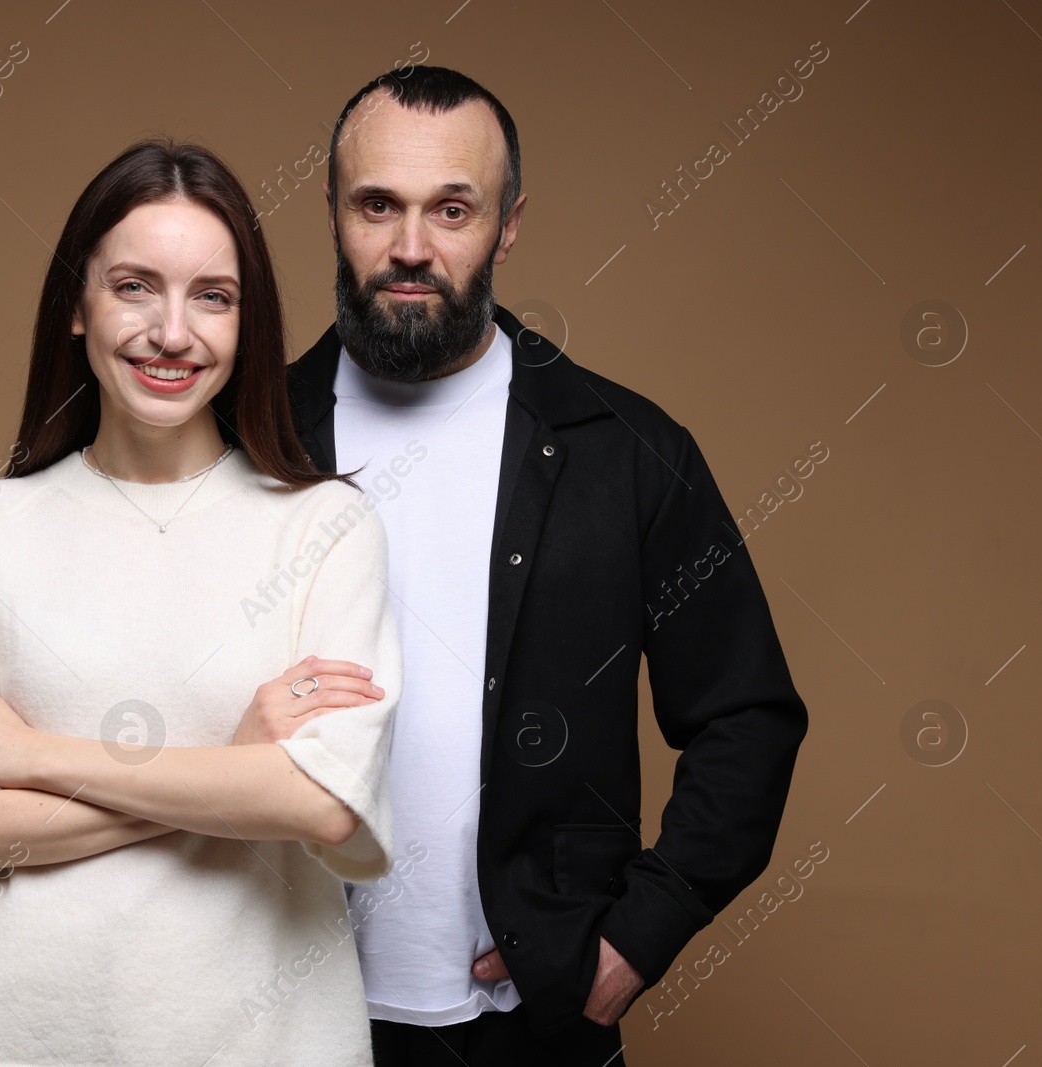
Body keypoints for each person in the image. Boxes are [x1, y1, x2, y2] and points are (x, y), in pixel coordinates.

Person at [275, 67, 810, 1065]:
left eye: (452, 209)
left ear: (508, 225)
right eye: (376, 204)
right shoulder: (247, 436)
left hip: (530, 1029)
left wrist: (633, 939)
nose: (409, 246)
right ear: (333, 211)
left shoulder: (626, 448)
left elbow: (746, 715)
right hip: (270, 1013)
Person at [0, 139, 403, 1066]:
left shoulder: (326, 528)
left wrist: (28, 756)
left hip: (260, 1039)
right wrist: (237, 768)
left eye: (213, 296)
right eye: (133, 286)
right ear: (78, 305)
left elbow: (324, 806)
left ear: (249, 324)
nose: (171, 332)